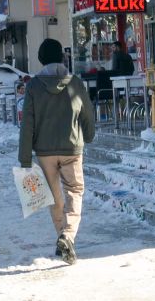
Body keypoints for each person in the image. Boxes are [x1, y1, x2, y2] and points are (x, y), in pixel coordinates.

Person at [18, 38, 95, 265]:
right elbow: (87, 113)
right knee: (75, 191)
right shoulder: (75, 82)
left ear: (41, 59)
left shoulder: (33, 86)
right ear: (62, 56)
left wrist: (24, 157)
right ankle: (68, 235)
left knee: (54, 198)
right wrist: (88, 136)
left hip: (44, 151)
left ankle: (62, 237)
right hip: (72, 148)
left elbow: (27, 124)